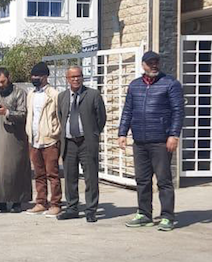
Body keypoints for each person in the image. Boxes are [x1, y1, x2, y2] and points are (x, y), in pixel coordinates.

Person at [118, 51, 184, 232]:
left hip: (161, 141)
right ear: (143, 65)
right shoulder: (135, 85)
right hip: (140, 141)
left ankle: (167, 217)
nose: (154, 65)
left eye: (156, 62)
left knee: (164, 180)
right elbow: (128, 110)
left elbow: (178, 111)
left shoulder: (170, 84)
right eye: (150, 63)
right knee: (142, 180)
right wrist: (122, 133)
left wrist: (173, 135)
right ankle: (144, 214)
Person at [56, 66, 106, 223]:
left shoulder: (93, 95)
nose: (76, 79)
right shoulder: (62, 97)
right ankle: (72, 208)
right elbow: (61, 116)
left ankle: (91, 210)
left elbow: (101, 118)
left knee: (90, 177)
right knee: (70, 177)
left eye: (78, 76)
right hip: (69, 142)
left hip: (86, 142)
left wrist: (94, 134)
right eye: (72, 77)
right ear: (67, 79)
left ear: (82, 77)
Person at [0, 68, 32, 213]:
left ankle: (17, 201)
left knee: (16, 169)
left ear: (9, 78)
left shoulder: (19, 93)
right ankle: (0, 201)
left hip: (15, 138)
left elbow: (23, 114)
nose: (0, 85)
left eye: (3, 82)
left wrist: (7, 112)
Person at [25, 62, 62, 217]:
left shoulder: (54, 94)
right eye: (33, 75)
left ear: (45, 77)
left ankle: (56, 204)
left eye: (37, 76)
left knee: (52, 174)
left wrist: (55, 132)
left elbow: (60, 116)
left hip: (50, 140)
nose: (34, 78)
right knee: (38, 174)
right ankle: (41, 202)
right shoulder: (31, 94)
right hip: (34, 140)